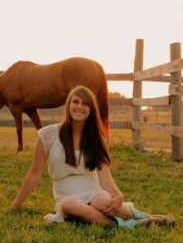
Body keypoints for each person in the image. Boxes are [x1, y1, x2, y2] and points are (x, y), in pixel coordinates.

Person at [11, 85, 175, 228]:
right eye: (75, 102)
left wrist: (118, 196)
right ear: (69, 105)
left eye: (85, 104)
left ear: (91, 110)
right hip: (66, 193)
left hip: (93, 189)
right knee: (70, 205)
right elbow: (34, 174)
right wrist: (15, 206)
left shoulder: (97, 139)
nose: (79, 107)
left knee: (104, 202)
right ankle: (130, 226)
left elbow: (105, 176)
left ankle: (145, 217)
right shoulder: (48, 135)